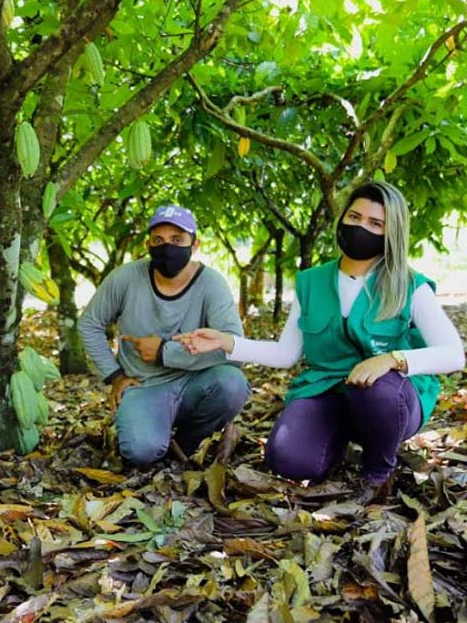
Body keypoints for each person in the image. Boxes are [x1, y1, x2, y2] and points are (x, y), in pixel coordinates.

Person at [177, 182, 465, 501]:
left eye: (375, 223)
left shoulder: (409, 286)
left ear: (391, 233)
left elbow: (454, 355)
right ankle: (336, 440)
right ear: (341, 219)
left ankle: (378, 473)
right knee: (288, 459)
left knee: (373, 389)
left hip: (389, 398)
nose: (360, 228)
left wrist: (392, 359)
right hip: (328, 391)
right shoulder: (312, 282)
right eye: (354, 217)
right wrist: (226, 342)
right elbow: (287, 353)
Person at [78, 205, 249, 468]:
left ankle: (187, 442)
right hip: (144, 385)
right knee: (140, 452)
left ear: (194, 245)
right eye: (159, 240)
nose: (167, 247)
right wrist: (114, 375)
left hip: (195, 383)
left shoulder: (211, 284)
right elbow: (89, 324)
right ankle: (152, 431)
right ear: (148, 244)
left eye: (177, 240)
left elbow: (233, 349)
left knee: (232, 383)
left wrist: (164, 352)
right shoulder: (125, 278)